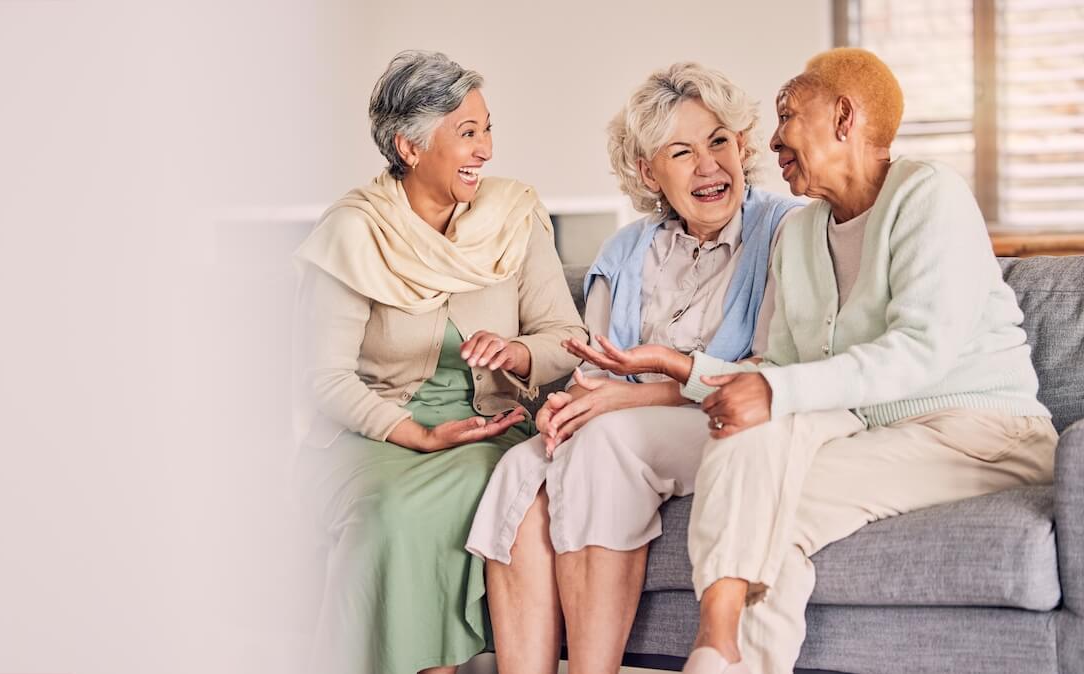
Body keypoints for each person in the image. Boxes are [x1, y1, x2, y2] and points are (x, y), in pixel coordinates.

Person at [571, 48, 1056, 674]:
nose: (769, 140)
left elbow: (920, 351)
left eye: (786, 115)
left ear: (844, 117)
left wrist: (771, 391)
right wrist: (680, 366)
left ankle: (715, 648)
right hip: (879, 428)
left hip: (983, 433)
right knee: (767, 481)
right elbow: (774, 367)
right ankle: (723, 653)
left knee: (771, 462)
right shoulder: (800, 234)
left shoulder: (929, 196)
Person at [465, 62, 803, 674]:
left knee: (605, 443)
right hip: (629, 426)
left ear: (742, 145)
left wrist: (622, 402)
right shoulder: (623, 251)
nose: (709, 166)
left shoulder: (784, 231)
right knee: (521, 468)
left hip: (728, 423)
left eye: (719, 142)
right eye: (682, 152)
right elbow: (589, 370)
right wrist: (568, 406)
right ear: (649, 171)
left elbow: (769, 371)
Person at [293, 50, 585, 674]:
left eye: (487, 130)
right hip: (375, 431)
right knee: (391, 516)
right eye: (467, 133)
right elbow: (326, 377)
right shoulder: (354, 231)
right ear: (409, 147)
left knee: (493, 485)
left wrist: (518, 351)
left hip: (493, 428)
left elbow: (566, 335)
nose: (485, 151)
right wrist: (418, 434)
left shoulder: (513, 216)